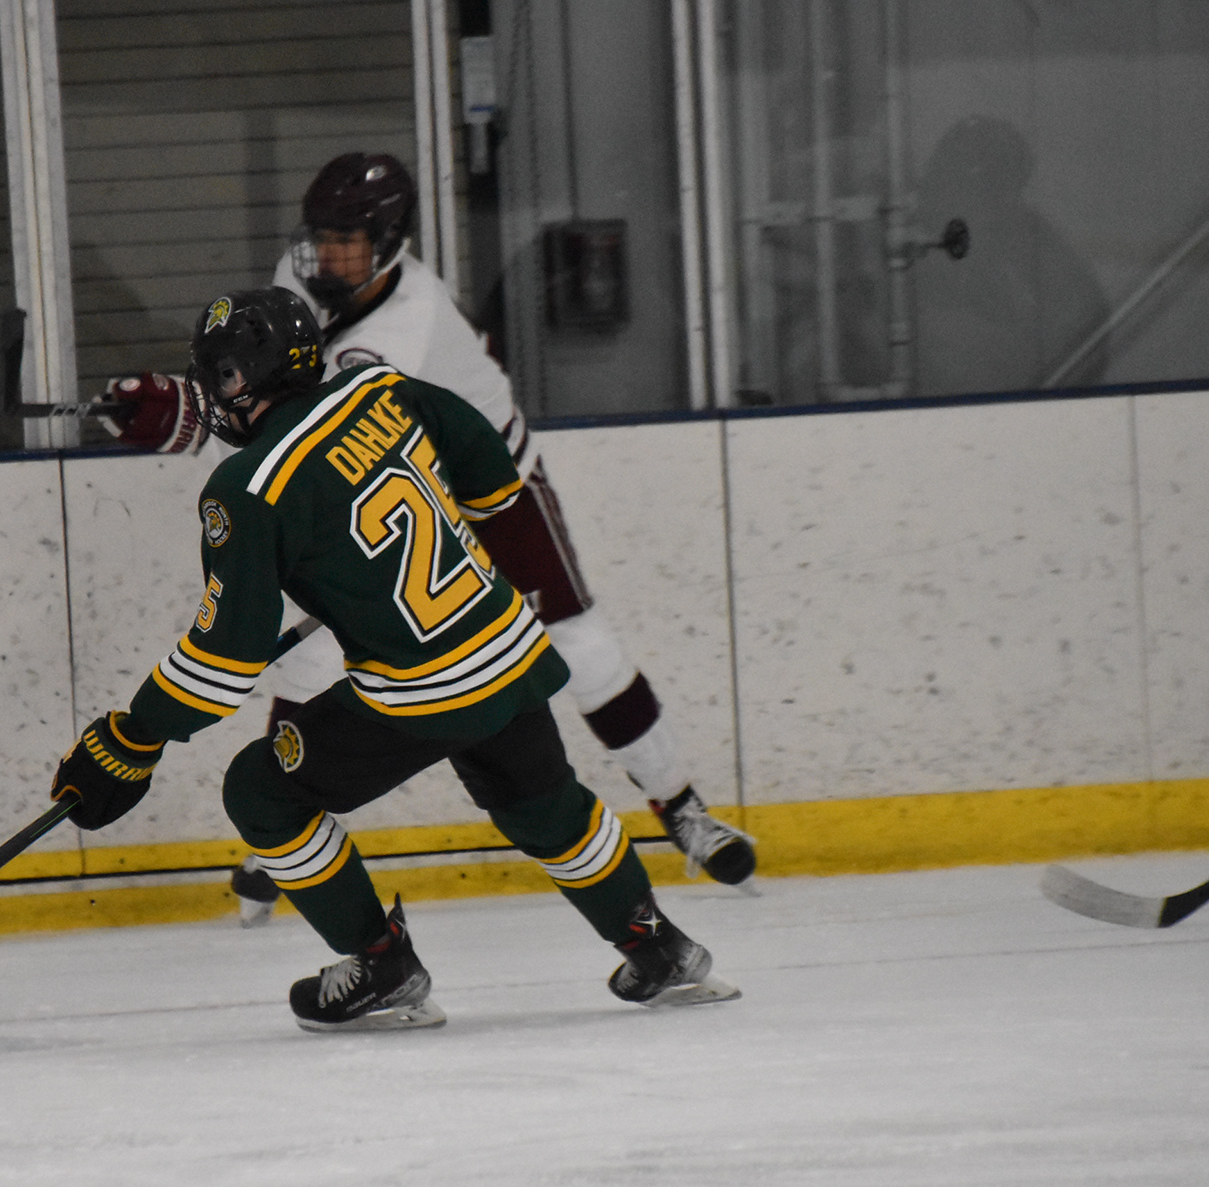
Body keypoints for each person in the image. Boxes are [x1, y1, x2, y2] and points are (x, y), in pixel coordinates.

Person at [54, 287, 737, 1030]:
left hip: (424, 689)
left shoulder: (246, 488)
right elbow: (490, 473)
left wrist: (134, 737)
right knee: (544, 803)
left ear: (248, 378)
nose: (217, 393)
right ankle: (658, 946)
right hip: (506, 644)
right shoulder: (380, 388)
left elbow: (225, 660)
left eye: (222, 374)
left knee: (260, 790)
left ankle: (381, 963)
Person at [102, 153, 756, 925]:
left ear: (390, 243)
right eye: (319, 236)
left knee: (580, 645)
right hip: (390, 485)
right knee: (312, 654)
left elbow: (307, 445)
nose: (325, 255)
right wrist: (190, 400)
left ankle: (681, 806)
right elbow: (276, 405)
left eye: (346, 240)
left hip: (490, 486)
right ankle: (286, 834)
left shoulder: (409, 324)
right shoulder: (295, 285)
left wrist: (183, 418)